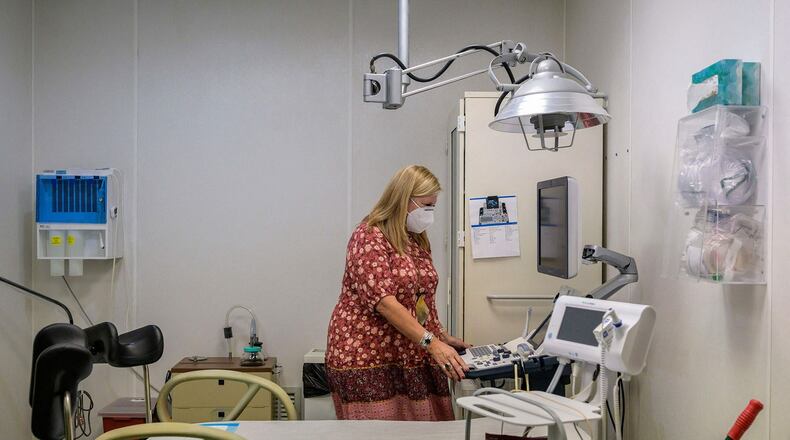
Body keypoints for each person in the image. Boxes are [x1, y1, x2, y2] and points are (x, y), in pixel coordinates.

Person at [325, 165, 470, 421]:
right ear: (404, 200)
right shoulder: (369, 236)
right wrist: (431, 342)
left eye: (433, 206)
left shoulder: (415, 239)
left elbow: (421, 298)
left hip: (408, 349)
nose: (430, 213)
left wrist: (440, 335)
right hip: (367, 354)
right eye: (426, 206)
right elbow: (385, 303)